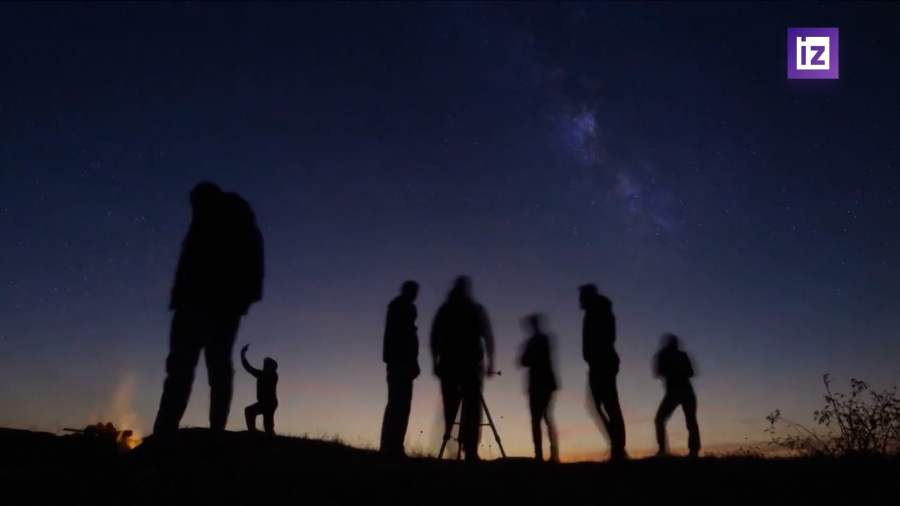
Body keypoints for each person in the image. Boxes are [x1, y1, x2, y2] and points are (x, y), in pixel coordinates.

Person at [152, 182, 265, 442]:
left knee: (213, 367)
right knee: (185, 368)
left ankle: (211, 432)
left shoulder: (235, 219)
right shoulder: (204, 221)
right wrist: (178, 297)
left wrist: (242, 300)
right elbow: (189, 261)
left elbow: (253, 260)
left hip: (219, 305)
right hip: (192, 305)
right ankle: (167, 432)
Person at [431, 276, 495, 462]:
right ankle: (469, 451)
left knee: (457, 407)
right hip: (467, 367)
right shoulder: (474, 309)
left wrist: (435, 361)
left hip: (452, 366)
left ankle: (461, 448)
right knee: (472, 408)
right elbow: (488, 336)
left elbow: (435, 336)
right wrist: (490, 361)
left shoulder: (446, 310)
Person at [579, 283, 627, 461]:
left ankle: (618, 449)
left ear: (588, 297)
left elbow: (607, 337)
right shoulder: (593, 313)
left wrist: (595, 355)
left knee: (609, 405)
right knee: (602, 405)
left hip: (602, 363)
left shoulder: (599, 312)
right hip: (598, 363)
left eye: (582, 296)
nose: (579, 300)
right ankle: (617, 447)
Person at [379, 280, 421, 457]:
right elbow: (403, 338)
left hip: (401, 363)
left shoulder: (400, 307)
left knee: (399, 405)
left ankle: (393, 445)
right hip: (400, 364)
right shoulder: (402, 308)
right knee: (398, 405)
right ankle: (391, 446)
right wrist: (410, 361)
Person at [518, 313, 559, 462]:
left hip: (541, 384)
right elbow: (523, 360)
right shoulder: (541, 340)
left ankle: (543, 455)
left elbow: (524, 360)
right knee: (543, 419)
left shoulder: (538, 341)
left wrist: (529, 358)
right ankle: (544, 455)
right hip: (542, 384)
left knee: (540, 420)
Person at [653, 333, 700, 457]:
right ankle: (664, 450)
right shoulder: (668, 355)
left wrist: (673, 369)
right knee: (689, 420)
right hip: (678, 392)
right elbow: (659, 372)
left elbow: (690, 372)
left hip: (681, 391)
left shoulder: (677, 355)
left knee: (689, 420)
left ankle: (692, 451)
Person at [240, 344, 279, 435]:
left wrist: (242, 355)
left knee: (267, 425)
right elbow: (248, 368)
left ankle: (255, 432)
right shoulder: (262, 374)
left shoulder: (272, 375)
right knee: (250, 412)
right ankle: (253, 431)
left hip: (269, 403)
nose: (264, 365)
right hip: (266, 403)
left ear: (271, 367)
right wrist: (242, 355)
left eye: (266, 364)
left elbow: (249, 368)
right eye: (264, 364)